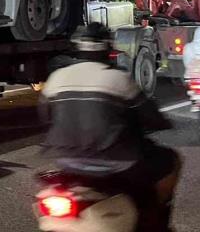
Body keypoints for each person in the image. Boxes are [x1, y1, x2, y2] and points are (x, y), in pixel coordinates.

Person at [42, 23, 181, 230]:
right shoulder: (119, 79)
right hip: (117, 163)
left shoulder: (56, 79)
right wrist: (161, 123)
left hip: (67, 162)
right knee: (171, 161)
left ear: (76, 48)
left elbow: (45, 117)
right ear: (108, 47)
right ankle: (156, 221)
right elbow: (151, 117)